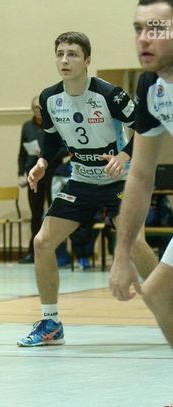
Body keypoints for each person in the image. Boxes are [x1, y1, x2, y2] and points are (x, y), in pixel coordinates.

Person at [17, 31, 157, 347]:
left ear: (87, 60)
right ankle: (51, 323)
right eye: (60, 54)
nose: (65, 60)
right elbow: (51, 138)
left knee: (135, 244)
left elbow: (144, 128)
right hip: (81, 180)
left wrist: (124, 156)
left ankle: (168, 305)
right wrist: (42, 162)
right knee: (42, 242)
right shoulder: (49, 98)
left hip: (120, 181)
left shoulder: (110, 95)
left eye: (73, 54)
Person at [110, 0, 173, 346]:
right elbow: (140, 175)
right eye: (138, 29)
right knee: (157, 294)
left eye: (157, 29)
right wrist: (123, 255)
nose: (144, 38)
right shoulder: (151, 86)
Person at [17, 96, 70, 266]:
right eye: (35, 108)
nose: (38, 111)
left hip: (52, 173)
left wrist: (45, 156)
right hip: (33, 174)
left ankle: (59, 252)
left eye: (40, 108)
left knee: (55, 213)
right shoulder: (27, 127)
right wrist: (20, 173)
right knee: (35, 214)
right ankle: (33, 252)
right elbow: (22, 153)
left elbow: (65, 148)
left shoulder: (55, 124)